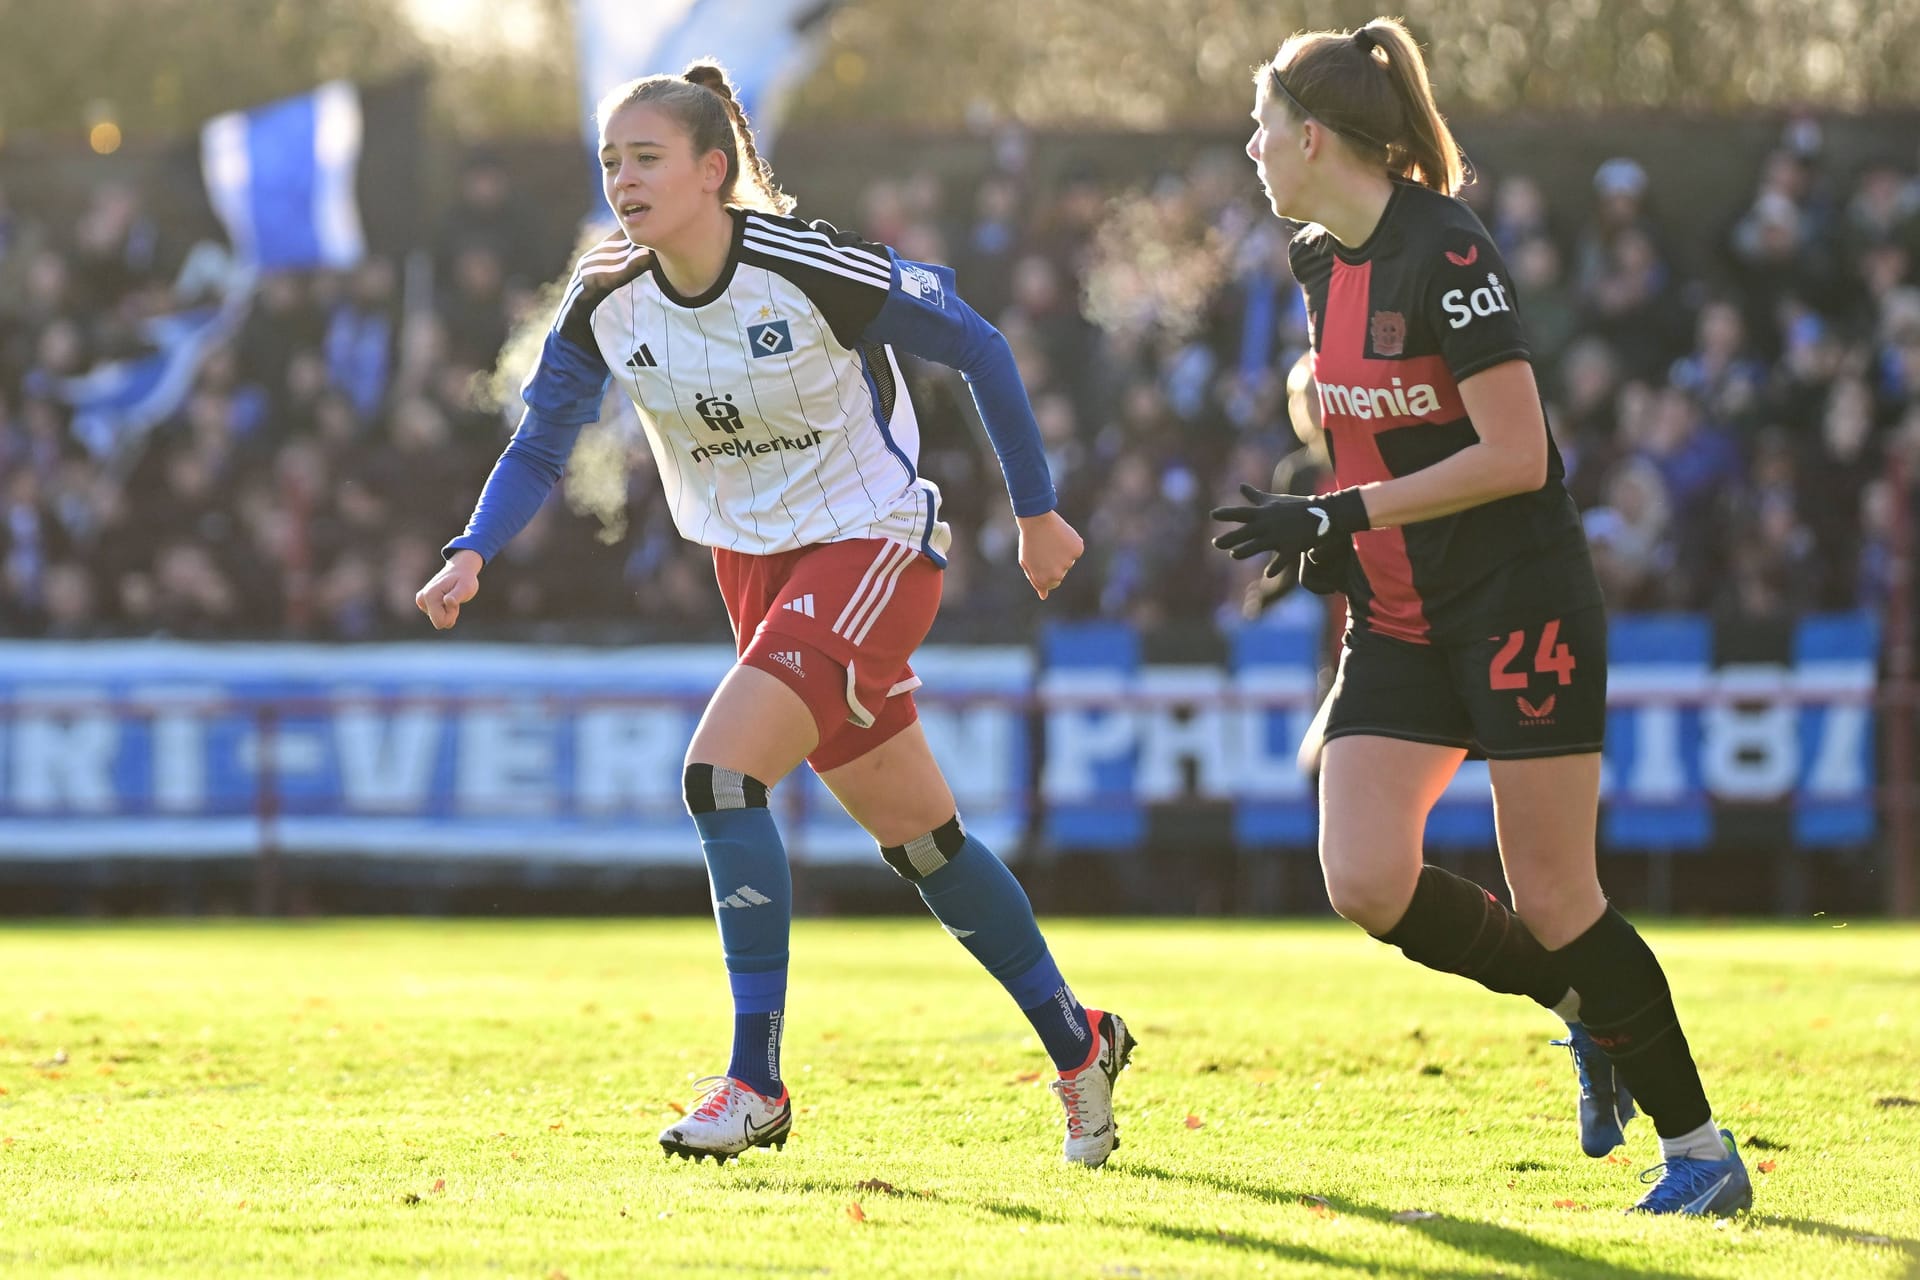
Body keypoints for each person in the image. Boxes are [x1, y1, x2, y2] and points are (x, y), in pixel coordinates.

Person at [414, 63, 1133, 1167]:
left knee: (717, 773)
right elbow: (541, 443)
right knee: (925, 842)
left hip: (874, 542)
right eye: (609, 162)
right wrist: (470, 548)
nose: (622, 180)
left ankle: (756, 1081)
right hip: (757, 576)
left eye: (645, 158)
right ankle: (1081, 1041)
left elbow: (980, 343)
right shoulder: (605, 297)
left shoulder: (804, 263)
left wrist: (1037, 513)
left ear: (715, 170)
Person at [1210, 18, 1751, 1216]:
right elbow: (1363, 416)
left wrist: (1339, 510)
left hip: (1519, 603)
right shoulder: (1315, 256)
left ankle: (1705, 1152)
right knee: (1363, 876)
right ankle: (1584, 1013)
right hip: (1403, 616)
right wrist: (1338, 540)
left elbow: (1517, 453)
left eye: (1259, 127)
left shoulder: (1448, 252)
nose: (1248, 148)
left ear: (1310, 137)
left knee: (1557, 893)